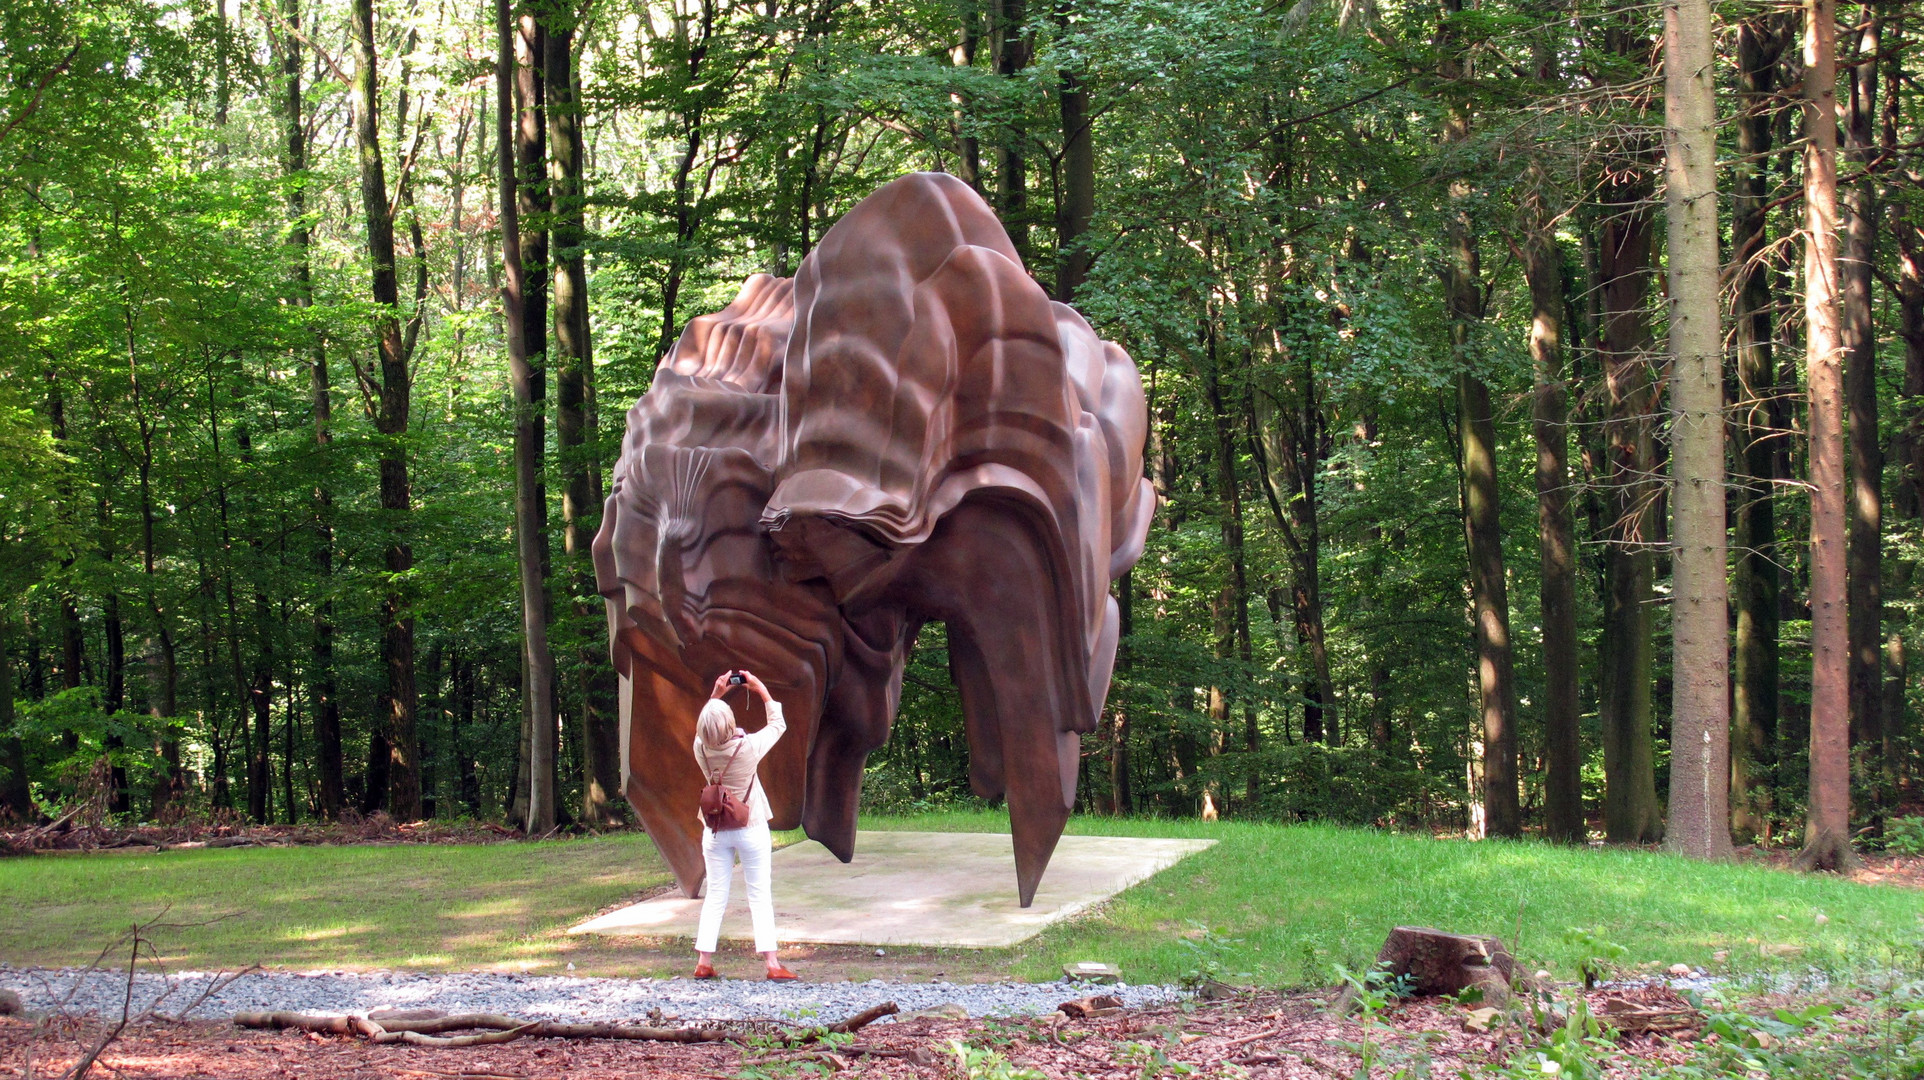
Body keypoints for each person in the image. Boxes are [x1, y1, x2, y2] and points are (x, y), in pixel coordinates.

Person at [691, 668, 797, 980]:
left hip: (714, 830)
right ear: (730, 724)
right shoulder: (748, 748)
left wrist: (715, 695)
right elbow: (778, 724)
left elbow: (702, 733)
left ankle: (703, 961)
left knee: (716, 894)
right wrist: (761, 689)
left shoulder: (701, 750)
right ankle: (773, 965)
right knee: (759, 893)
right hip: (749, 828)